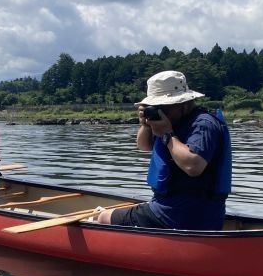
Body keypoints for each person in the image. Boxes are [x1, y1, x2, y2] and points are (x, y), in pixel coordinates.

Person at [96, 70, 232, 230]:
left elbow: (193, 166)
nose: (160, 111)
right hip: (181, 211)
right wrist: (146, 124)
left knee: (103, 217)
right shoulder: (172, 120)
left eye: (163, 107)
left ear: (182, 103)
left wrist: (167, 134)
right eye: (155, 107)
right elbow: (143, 146)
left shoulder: (203, 124)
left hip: (178, 215)